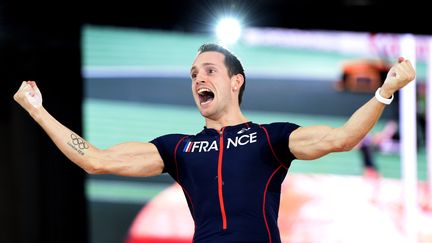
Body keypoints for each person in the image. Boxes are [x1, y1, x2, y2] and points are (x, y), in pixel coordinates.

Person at [13, 43, 416, 243]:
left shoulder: (269, 138)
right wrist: (38, 111)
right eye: (193, 74)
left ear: (236, 81)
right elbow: (96, 161)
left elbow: (343, 138)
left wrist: (386, 90)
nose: (198, 79)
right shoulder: (179, 150)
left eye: (209, 70)